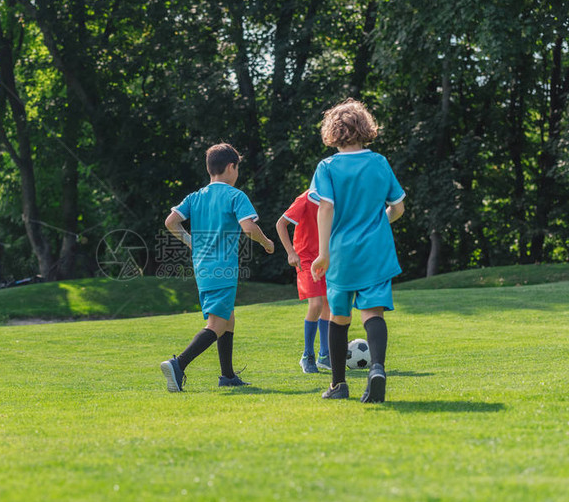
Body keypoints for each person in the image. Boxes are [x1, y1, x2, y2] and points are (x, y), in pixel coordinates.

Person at [309, 98, 406, 403]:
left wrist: (323, 253)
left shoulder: (327, 167)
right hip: (377, 251)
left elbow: (325, 208)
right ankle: (377, 368)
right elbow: (398, 207)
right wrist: (379, 224)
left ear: (333, 132)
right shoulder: (379, 162)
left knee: (339, 317)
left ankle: (338, 385)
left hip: (341, 254)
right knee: (372, 312)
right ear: (365, 128)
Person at [161, 143, 275, 392]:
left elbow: (171, 221)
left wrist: (191, 241)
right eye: (238, 168)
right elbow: (248, 228)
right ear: (232, 167)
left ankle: (227, 376)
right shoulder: (236, 195)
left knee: (228, 318)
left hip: (203, 268)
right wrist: (266, 242)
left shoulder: (195, 196)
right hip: (223, 268)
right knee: (217, 323)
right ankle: (178, 364)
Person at [276, 191, 331, 373]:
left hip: (325, 258)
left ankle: (325, 355)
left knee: (328, 305)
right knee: (315, 304)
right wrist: (291, 253)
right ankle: (307, 355)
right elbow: (281, 224)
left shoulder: (335, 198)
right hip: (305, 259)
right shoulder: (306, 198)